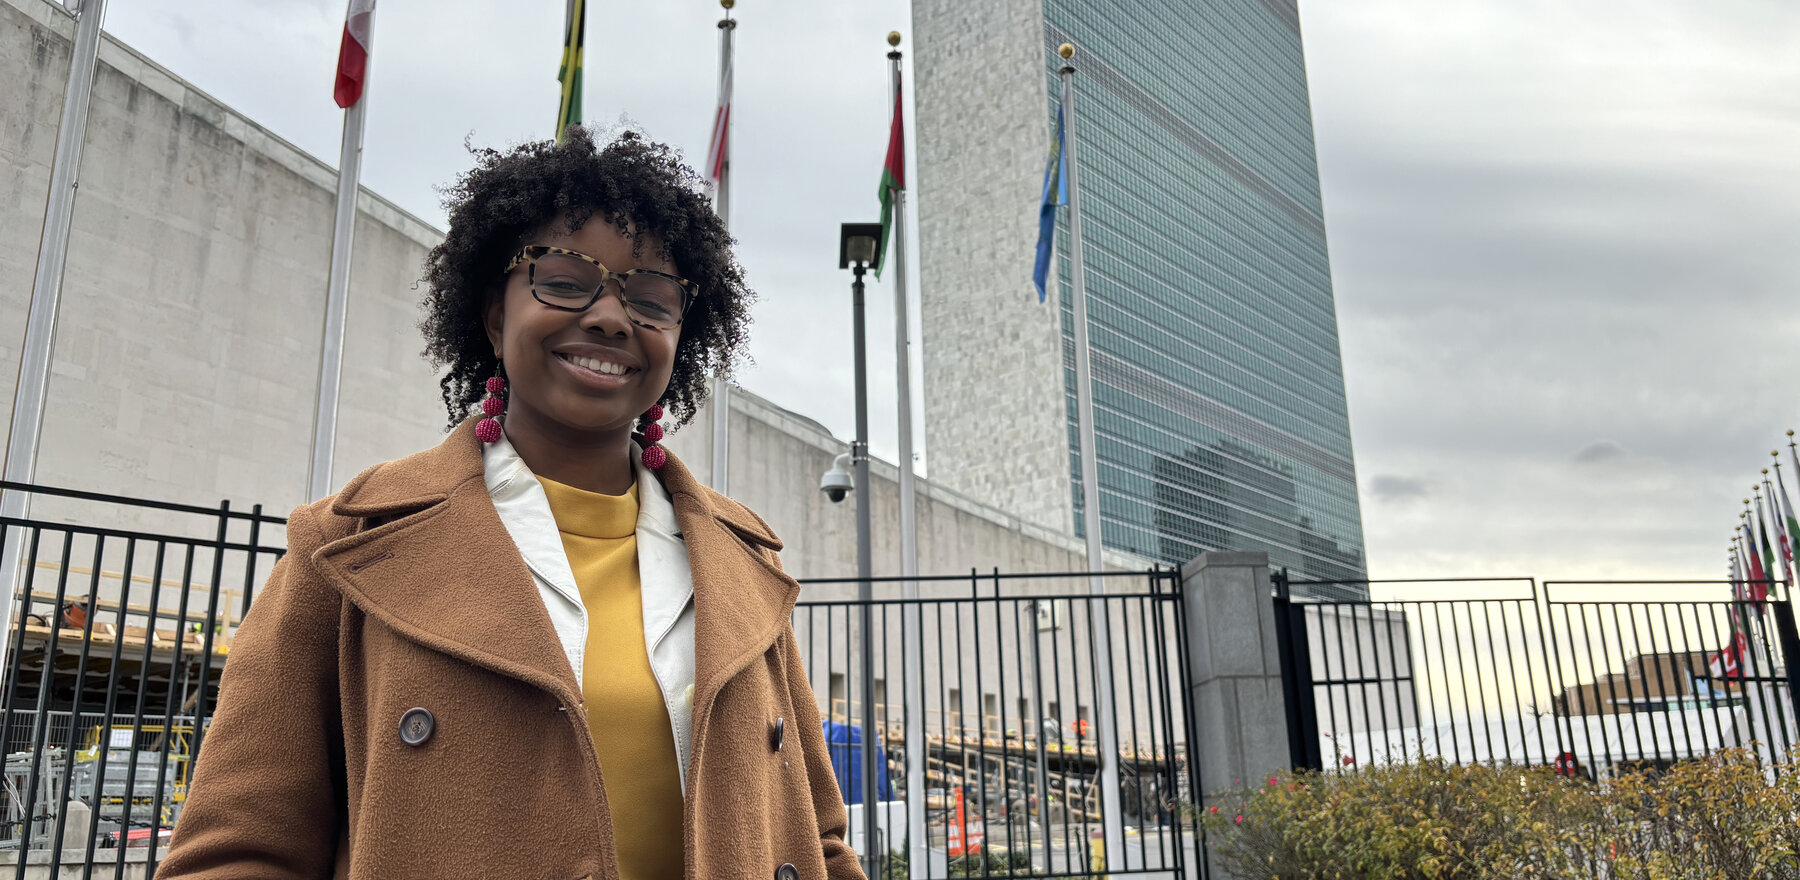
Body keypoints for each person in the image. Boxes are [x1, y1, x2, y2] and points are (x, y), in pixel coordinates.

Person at [157, 128, 864, 880]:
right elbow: (236, 853)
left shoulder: (741, 561)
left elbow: (816, 839)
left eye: (651, 298)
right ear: (495, 315)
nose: (611, 317)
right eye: (565, 280)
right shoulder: (340, 547)